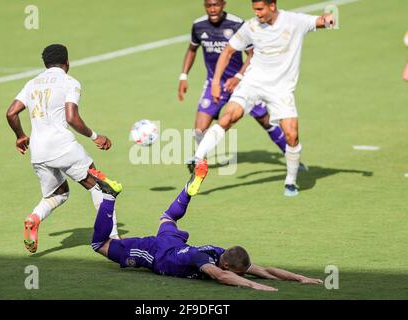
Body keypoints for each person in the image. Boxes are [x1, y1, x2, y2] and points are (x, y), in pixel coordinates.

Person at [88, 161, 323, 291]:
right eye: (239, 273)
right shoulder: (205, 261)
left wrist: (300, 278)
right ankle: (110, 196)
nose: (242, 274)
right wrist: (253, 286)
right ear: (228, 264)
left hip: (173, 244)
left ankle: (187, 192)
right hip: (153, 252)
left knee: (168, 218)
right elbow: (222, 276)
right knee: (100, 244)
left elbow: (265, 270)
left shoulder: (221, 252)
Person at [193, 0, 335, 196]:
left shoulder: (294, 21)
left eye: (260, 9)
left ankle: (290, 182)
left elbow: (322, 21)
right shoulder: (251, 26)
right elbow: (228, 51)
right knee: (228, 117)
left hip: (281, 89)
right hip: (253, 83)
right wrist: (216, 81)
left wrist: (329, 19)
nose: (257, 14)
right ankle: (198, 157)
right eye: (255, 10)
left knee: (292, 135)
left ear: (272, 6)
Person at [6, 44, 120, 253]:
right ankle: (113, 239)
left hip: (38, 152)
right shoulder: (69, 82)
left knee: (58, 194)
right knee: (100, 187)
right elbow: (71, 117)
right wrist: (96, 136)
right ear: (67, 62)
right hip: (63, 147)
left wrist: (21, 136)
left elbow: (11, 113)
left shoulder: (32, 83)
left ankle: (34, 217)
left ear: (45, 63)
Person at [178, 0, 288, 170]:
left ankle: (290, 154)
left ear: (224, 4)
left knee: (265, 120)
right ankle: (199, 162)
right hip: (214, 83)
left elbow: (253, 53)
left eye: (216, 5)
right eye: (208, 5)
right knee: (199, 129)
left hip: (242, 83)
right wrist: (183, 76)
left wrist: (238, 76)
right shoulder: (198, 26)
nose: (212, 9)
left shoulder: (237, 24)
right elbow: (192, 49)